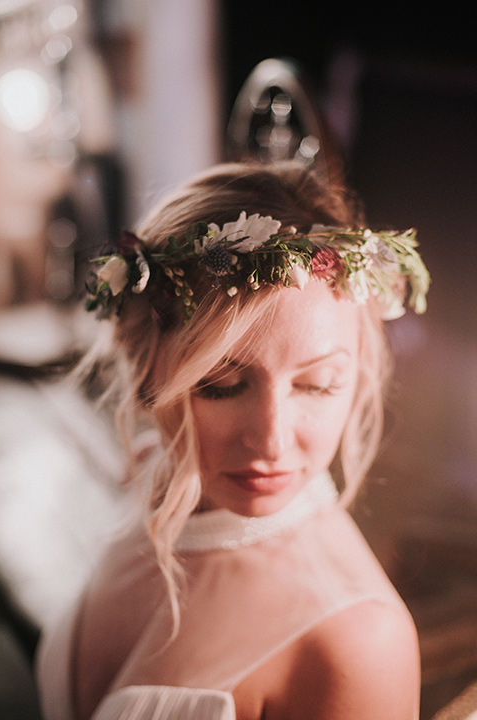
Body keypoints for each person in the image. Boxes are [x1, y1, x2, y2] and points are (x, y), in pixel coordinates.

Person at [36, 160, 429, 720]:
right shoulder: (152, 470)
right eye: (220, 385)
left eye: (317, 385)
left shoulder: (359, 644)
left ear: (358, 374)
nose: (270, 441)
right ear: (148, 369)